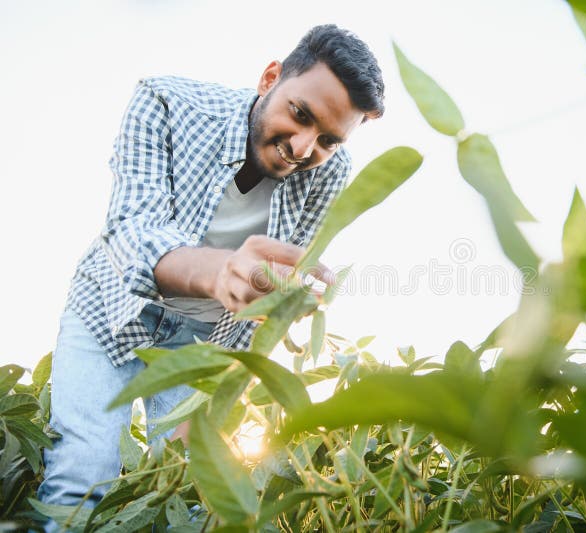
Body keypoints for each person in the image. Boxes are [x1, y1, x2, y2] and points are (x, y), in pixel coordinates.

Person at [36, 23, 385, 524]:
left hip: (204, 340)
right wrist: (223, 271)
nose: (304, 148)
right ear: (270, 79)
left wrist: (228, 384)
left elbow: (277, 284)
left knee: (183, 496)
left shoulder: (330, 172)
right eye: (300, 114)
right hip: (108, 311)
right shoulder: (167, 102)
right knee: (82, 474)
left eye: (328, 139)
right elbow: (133, 230)